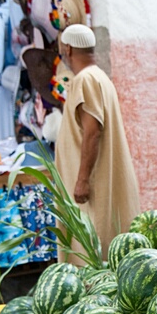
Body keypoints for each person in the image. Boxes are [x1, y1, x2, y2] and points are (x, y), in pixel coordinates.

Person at [55, 23, 140, 264]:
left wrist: (82, 180)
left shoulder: (86, 80)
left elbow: (93, 131)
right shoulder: (99, 77)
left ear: (68, 49)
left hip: (90, 186)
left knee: (91, 251)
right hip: (95, 180)